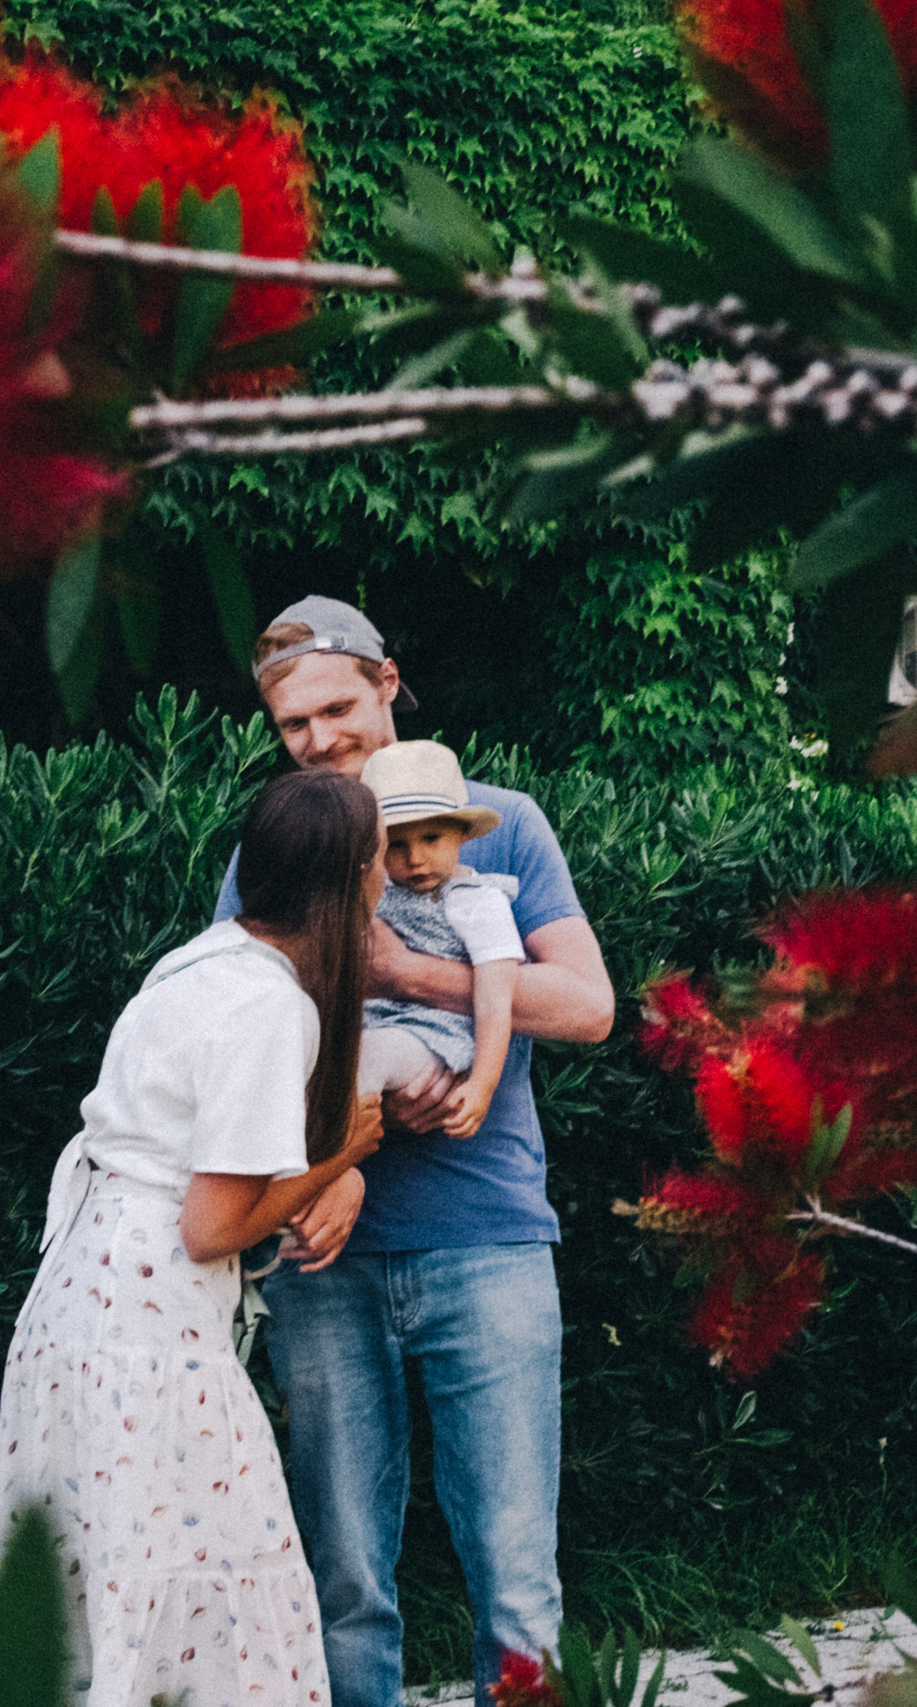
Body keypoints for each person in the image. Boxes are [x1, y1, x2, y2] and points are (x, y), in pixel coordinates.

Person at [212, 596, 616, 1707]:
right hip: (321, 1259)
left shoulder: (503, 823)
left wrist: (410, 979)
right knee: (343, 1578)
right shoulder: (278, 847)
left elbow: (586, 1006)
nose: (320, 739)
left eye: (337, 707)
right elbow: (232, 1034)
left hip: (485, 1241)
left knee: (516, 1579)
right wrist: (334, 1160)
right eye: (293, 725)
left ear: (389, 684)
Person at [0, 767, 389, 1707]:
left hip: (77, 1301)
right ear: (348, 882)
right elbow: (211, 1227)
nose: (387, 877)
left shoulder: (197, 963)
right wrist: (340, 1153)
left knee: (108, 1575)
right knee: (209, 1572)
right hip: (149, 1322)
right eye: (377, 861)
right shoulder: (269, 1006)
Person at [355, 740, 522, 1139]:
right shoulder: (375, 891)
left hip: (432, 1035)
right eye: (396, 844)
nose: (414, 859)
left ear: (462, 834)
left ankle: (329, 1167)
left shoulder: (478, 902)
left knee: (364, 1058)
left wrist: (482, 1082)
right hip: (367, 1022)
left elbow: (496, 1000)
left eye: (431, 838)